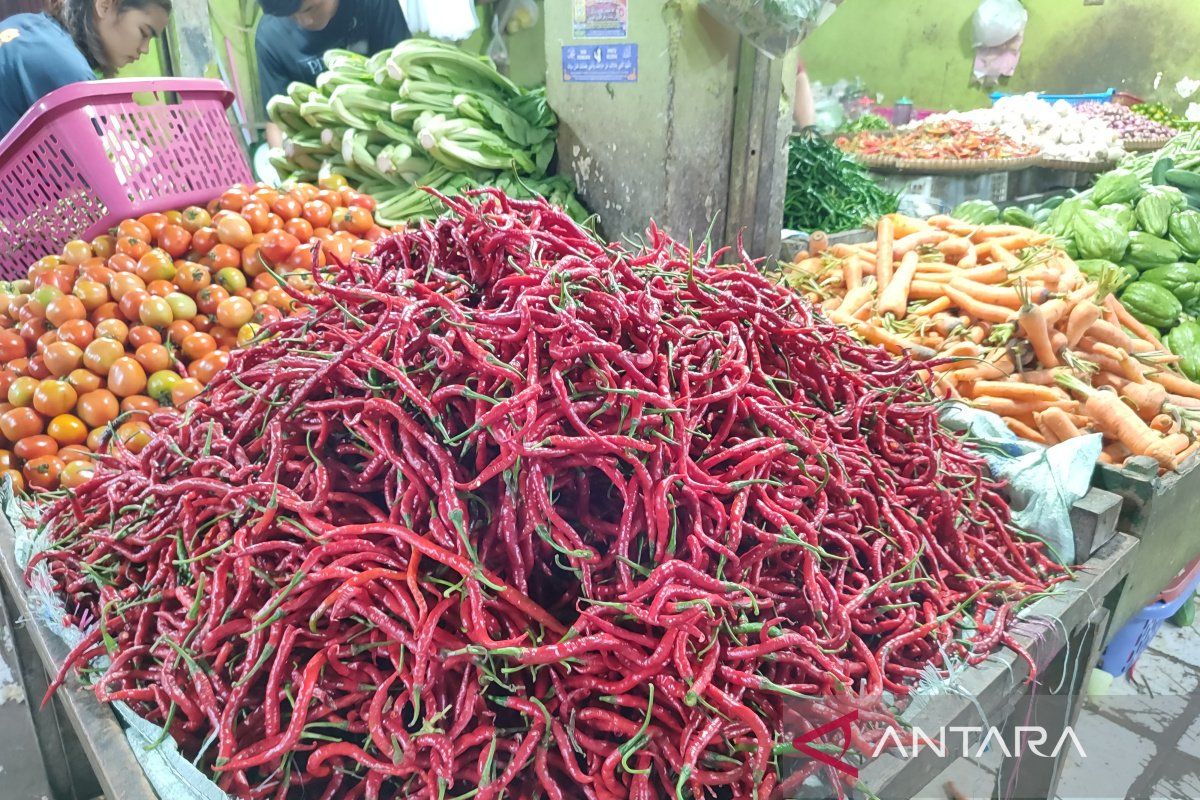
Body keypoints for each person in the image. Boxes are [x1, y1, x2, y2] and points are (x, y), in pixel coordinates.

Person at [0, 0, 171, 137]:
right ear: (105, 5)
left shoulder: (22, 23)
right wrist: (160, 134)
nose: (145, 49)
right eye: (144, 33)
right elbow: (102, 170)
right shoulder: (71, 74)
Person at [256, 0, 410, 148]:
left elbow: (404, 74)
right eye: (290, 15)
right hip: (324, 148)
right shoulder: (270, 37)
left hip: (389, 130)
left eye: (309, 9)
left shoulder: (372, 3)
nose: (305, 21)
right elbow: (276, 121)